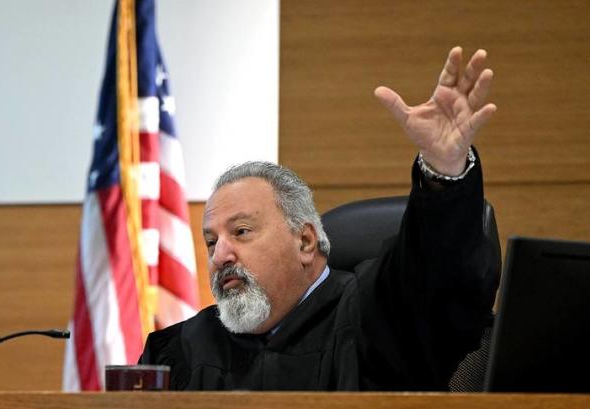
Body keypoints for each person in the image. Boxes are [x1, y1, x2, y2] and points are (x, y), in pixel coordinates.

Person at [139, 47, 501, 391]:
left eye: (242, 231)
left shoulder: (377, 314)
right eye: (212, 242)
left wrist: (443, 171)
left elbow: (438, 274)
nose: (220, 256)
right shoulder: (179, 351)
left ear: (305, 242)